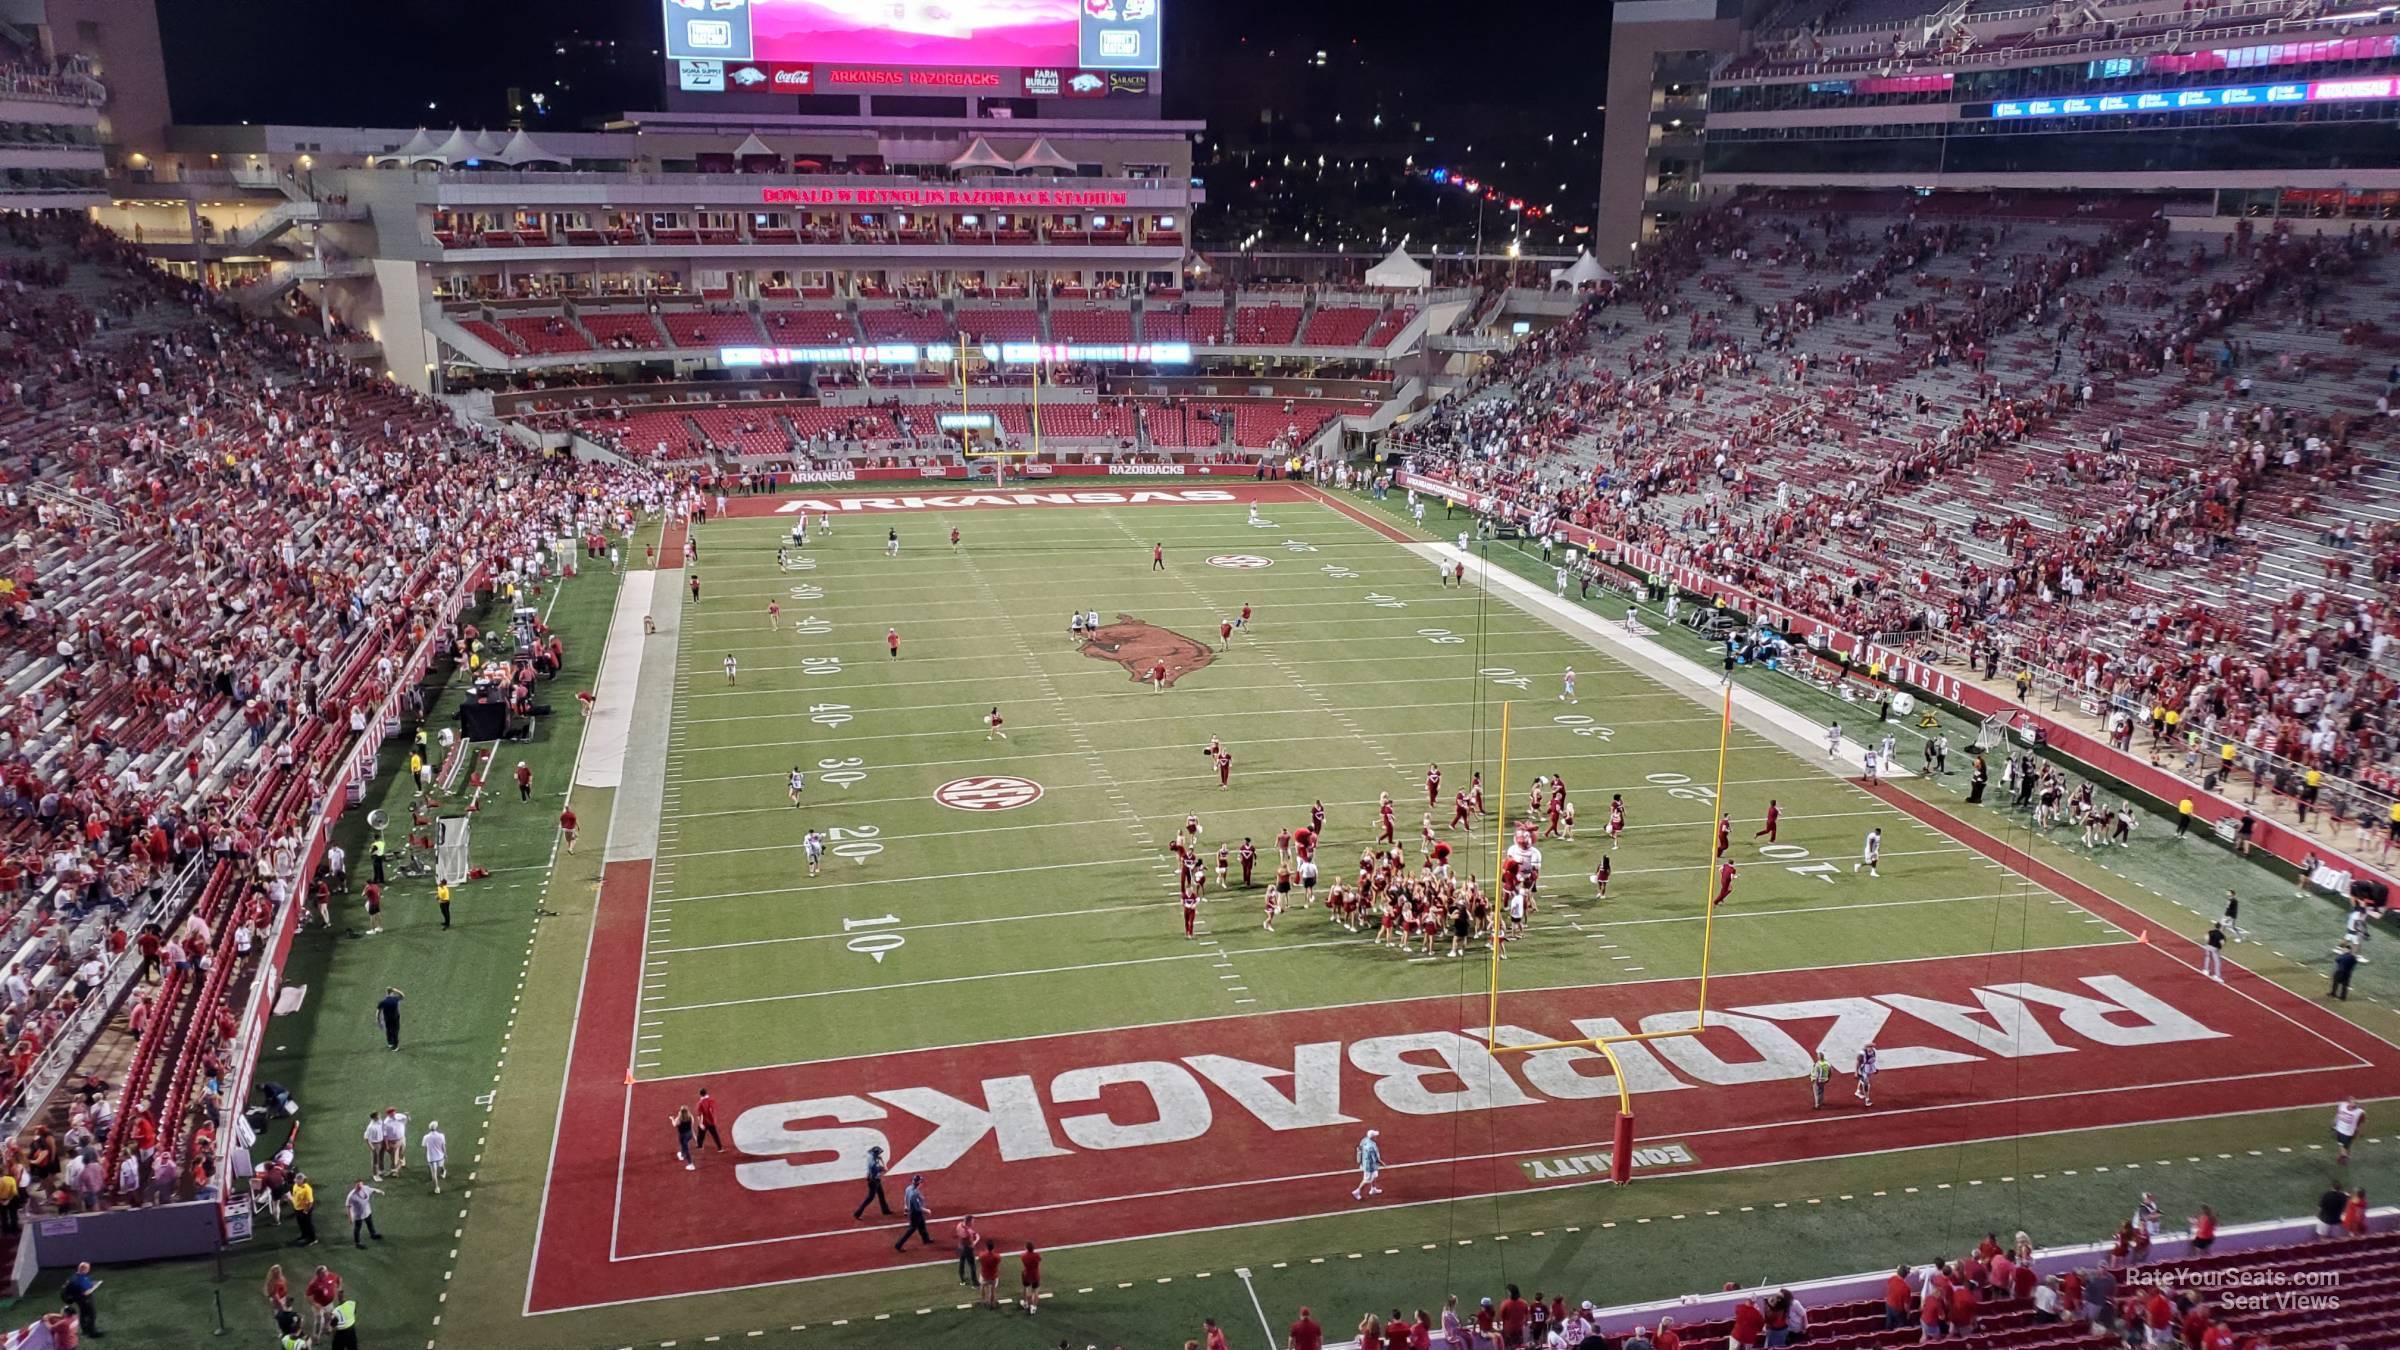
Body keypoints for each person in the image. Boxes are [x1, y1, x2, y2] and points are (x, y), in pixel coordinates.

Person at [62, 1261, 100, 1338]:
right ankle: (92, 1332)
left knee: (83, 1313)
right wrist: (96, 1286)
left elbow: (87, 1285)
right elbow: (85, 1292)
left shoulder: (76, 1276)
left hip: (80, 1299)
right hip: (84, 1299)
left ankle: (85, 1330)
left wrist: (92, 1285)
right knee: (91, 1314)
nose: (89, 1270)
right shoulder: (79, 1280)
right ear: (84, 1269)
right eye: (88, 1269)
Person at [895, 1174, 932, 1251]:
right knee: (911, 1229)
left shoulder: (908, 1188)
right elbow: (918, 1208)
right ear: (918, 1183)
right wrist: (927, 1210)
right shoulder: (914, 1194)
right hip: (915, 1214)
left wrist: (905, 1207)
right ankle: (898, 1245)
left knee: (922, 1224)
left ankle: (926, 1239)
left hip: (913, 1212)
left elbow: (905, 1197)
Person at [854, 1144, 891, 1218]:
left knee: (881, 1194)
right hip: (874, 1181)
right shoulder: (874, 1164)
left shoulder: (871, 1157)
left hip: (874, 1179)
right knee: (870, 1198)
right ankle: (857, 1213)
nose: (880, 1154)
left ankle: (885, 1210)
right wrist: (882, 1161)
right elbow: (884, 1169)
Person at [345, 1179, 382, 1247]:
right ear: (355, 1186)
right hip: (358, 1215)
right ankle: (357, 1243)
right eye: (357, 1185)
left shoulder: (365, 1188)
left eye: (360, 1184)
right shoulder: (351, 1195)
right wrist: (350, 1218)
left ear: (362, 1184)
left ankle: (373, 1234)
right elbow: (348, 1206)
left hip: (367, 1212)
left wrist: (379, 1191)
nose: (359, 1186)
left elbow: (372, 1190)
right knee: (357, 1228)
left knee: (370, 1224)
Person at [1352, 1128, 1383, 1199]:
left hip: (1366, 1162)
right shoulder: (1371, 1146)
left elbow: (1359, 1148)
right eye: (1375, 1136)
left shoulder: (1364, 1139)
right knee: (1367, 1180)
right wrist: (1381, 1162)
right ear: (1373, 1137)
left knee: (1375, 1175)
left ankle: (1373, 1189)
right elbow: (1375, 1158)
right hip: (1369, 1166)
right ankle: (1357, 1191)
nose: (1377, 1137)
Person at [2334, 1097, 2365, 1163]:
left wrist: (2360, 1131)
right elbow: (2338, 1115)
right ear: (2348, 1103)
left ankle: (2344, 1156)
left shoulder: (2359, 1112)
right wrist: (2334, 1123)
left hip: (2350, 1132)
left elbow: (2361, 1122)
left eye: (2355, 1103)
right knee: (2342, 1144)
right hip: (2340, 1129)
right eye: (2352, 1102)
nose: (2354, 1104)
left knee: (2345, 1145)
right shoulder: (2342, 1106)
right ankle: (2344, 1156)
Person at [291, 1172, 319, 1245]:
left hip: (304, 1209)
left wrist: (306, 1211)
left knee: (308, 1224)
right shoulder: (296, 1185)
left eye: (297, 1179)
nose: (295, 1180)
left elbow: (310, 1202)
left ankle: (313, 1239)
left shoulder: (307, 1189)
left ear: (301, 1180)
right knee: (301, 1223)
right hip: (297, 1208)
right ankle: (304, 1235)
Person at [694, 1088, 724, 1153]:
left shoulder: (700, 1103)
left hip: (704, 1122)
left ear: (700, 1094)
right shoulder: (711, 1100)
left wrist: (700, 1124)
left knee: (701, 1134)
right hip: (712, 1121)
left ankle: (700, 1146)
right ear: (706, 1093)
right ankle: (720, 1148)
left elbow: (699, 1115)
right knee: (715, 1134)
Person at [1018, 1240, 1043, 1314]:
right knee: (1035, 1291)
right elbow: (1039, 1260)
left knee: (1026, 1289)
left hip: (1026, 1274)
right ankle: (1034, 1307)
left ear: (1026, 1248)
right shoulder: (1037, 1255)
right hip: (1035, 1274)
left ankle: (1026, 1303)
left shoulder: (1023, 1256)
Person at [422, 1121, 447, 1194]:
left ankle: (437, 1187)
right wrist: (445, 1154)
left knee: (434, 1173)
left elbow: (425, 1147)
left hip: (431, 1157)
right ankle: (443, 1171)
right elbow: (443, 1146)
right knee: (441, 1165)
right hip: (440, 1156)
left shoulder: (426, 1137)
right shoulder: (441, 1135)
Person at [1855, 1042, 1877, 1106]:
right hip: (1863, 1069)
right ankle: (1867, 1100)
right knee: (1866, 1084)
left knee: (1863, 1080)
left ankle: (1858, 1091)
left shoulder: (1873, 1051)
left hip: (1869, 1067)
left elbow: (1872, 1060)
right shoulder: (1862, 1054)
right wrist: (1856, 1072)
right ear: (1866, 1047)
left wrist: (1874, 1068)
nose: (1872, 1048)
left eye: (1872, 1047)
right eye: (1870, 1047)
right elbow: (1858, 1063)